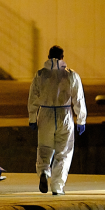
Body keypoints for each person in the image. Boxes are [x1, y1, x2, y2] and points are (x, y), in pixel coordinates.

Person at [28, 45, 87, 195]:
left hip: (45, 113)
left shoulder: (40, 75)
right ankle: (57, 187)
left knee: (44, 148)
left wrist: (32, 118)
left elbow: (33, 98)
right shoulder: (71, 75)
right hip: (65, 113)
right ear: (62, 57)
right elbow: (78, 99)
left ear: (48, 57)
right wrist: (81, 120)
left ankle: (43, 172)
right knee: (64, 152)